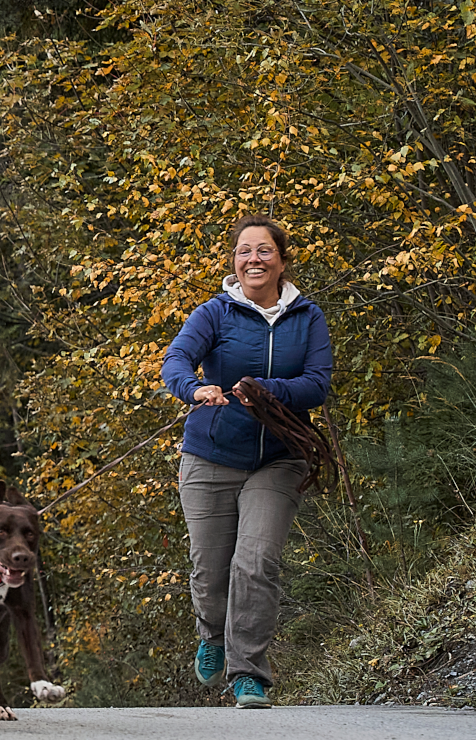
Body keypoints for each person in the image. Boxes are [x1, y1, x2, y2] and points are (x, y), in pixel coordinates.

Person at [160, 214, 333, 709]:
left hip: (279, 458)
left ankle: (248, 673)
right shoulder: (215, 313)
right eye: (244, 251)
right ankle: (213, 635)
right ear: (234, 261)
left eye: (263, 251)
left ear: (282, 260)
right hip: (209, 456)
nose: (253, 259)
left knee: (256, 562)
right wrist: (193, 388)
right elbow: (175, 361)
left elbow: (317, 383)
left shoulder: (308, 317)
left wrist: (265, 390)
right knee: (210, 573)